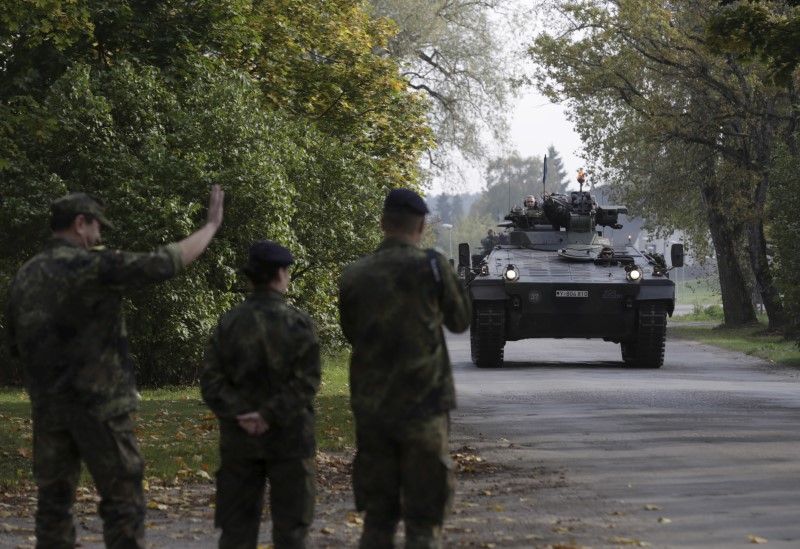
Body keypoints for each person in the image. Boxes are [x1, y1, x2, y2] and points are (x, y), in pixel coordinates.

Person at [5, 186, 224, 548]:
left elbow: (15, 346)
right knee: (123, 504)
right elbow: (164, 262)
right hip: (100, 409)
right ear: (80, 224)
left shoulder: (23, 278)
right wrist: (210, 226)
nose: (99, 236)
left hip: (49, 412)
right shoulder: (92, 266)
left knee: (53, 508)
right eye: (97, 227)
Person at [338, 188, 472, 548]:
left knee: (378, 520)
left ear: (383, 224)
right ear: (422, 224)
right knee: (424, 522)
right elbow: (460, 321)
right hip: (424, 410)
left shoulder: (354, 275)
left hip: (373, 412)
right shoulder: (432, 266)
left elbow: (351, 332)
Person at [201, 240, 320, 549]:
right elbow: (307, 382)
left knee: (236, 533)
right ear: (281, 273)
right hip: (290, 439)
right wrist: (268, 415)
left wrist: (245, 414)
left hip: (240, 442)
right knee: (292, 533)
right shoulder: (299, 324)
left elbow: (212, 383)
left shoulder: (228, 324)